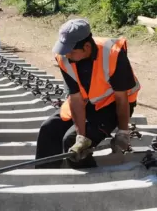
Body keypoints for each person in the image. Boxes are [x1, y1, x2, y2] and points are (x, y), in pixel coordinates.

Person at [35, 18, 141, 168]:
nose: (66, 55)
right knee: (49, 128)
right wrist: (81, 136)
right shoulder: (63, 57)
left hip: (112, 107)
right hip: (86, 104)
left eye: (71, 51)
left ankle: (85, 186)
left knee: (70, 141)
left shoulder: (113, 54)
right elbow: (75, 98)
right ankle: (45, 179)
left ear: (86, 47)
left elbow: (121, 99)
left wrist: (123, 132)